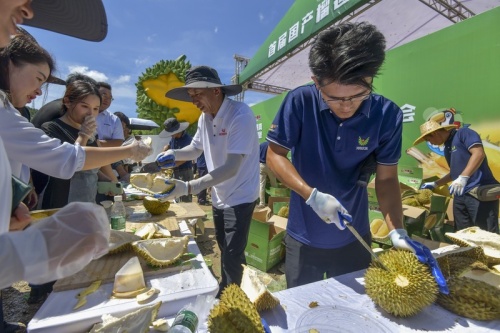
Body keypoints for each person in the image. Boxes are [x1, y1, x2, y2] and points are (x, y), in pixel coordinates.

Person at [265, 22, 446, 290]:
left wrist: (396, 229)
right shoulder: (299, 102)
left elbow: (386, 179)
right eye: (334, 98)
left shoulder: (387, 115)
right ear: (316, 83)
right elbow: (274, 154)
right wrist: (310, 195)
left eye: (359, 95)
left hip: (355, 238)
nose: (346, 106)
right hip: (303, 237)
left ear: (371, 78)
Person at [0, 1, 111, 331]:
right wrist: (130, 151)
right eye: (37, 77)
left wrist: (13, 200)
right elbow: (65, 162)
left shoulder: (11, 110)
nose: (39, 89)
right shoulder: (38, 122)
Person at [156, 66, 259, 296]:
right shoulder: (205, 118)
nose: (194, 101)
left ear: (216, 91)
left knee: (233, 253)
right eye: (191, 97)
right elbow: (195, 149)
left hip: (241, 194)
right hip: (219, 194)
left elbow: (232, 167)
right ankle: (227, 288)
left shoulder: (240, 115)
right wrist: (174, 155)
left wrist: (191, 186)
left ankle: (235, 299)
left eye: (197, 95)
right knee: (223, 246)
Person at [416, 119, 500, 233]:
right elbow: (454, 172)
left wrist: (463, 177)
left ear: (435, 133)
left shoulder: (463, 133)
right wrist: (435, 183)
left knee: (486, 233)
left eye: (428, 139)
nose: (430, 143)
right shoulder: (447, 147)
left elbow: (478, 153)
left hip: (479, 191)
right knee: (462, 233)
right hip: (460, 195)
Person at [160, 118, 193, 202]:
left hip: (185, 172)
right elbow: (170, 145)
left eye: (172, 133)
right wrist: (165, 150)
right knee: (176, 197)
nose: (171, 135)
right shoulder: (174, 138)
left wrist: (170, 165)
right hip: (176, 171)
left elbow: (185, 158)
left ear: (178, 130)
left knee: (185, 198)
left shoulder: (187, 140)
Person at [257, 141, 278, 209]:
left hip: (261, 165)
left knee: (261, 185)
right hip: (269, 165)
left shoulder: (262, 144)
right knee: (274, 184)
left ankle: (262, 203)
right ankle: (275, 202)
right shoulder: (272, 145)